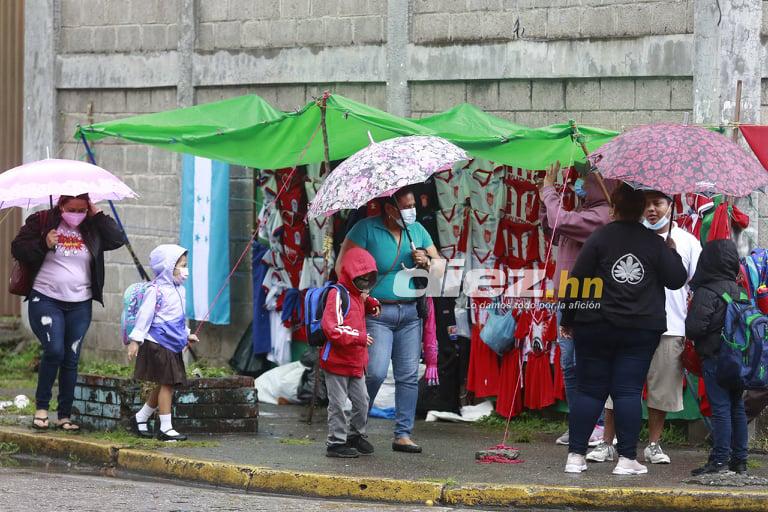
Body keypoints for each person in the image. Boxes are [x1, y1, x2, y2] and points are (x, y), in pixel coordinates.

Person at [561, 184, 687, 475]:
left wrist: (569, 320)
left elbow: (577, 282)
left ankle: (576, 457)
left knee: (590, 391)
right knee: (628, 391)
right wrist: (673, 252)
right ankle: (627, 459)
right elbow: (676, 280)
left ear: (613, 209)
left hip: (594, 326)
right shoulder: (656, 243)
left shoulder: (598, 238)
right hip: (639, 329)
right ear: (642, 209)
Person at [588, 190, 701, 464]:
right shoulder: (629, 237)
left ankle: (653, 444)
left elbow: (695, 283)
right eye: (647, 204)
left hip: (670, 326)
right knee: (619, 387)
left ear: (670, 206)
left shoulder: (688, 242)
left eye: (658, 203)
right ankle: (608, 442)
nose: (652, 209)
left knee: (661, 390)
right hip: (630, 324)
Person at [336, 187, 441, 453]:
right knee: (376, 372)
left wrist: (427, 261)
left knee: (407, 376)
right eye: (406, 206)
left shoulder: (417, 231)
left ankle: (403, 434)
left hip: (411, 313)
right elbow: (341, 267)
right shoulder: (365, 229)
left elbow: (441, 269)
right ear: (390, 208)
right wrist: (360, 291)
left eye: (413, 204)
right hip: (378, 313)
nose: (411, 211)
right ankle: (356, 429)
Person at [11, 194, 124, 431]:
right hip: (46, 299)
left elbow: (117, 239)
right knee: (54, 350)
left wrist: (97, 214)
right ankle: (42, 407)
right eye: (72, 209)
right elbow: (18, 249)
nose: (77, 214)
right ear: (60, 205)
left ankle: (64, 415)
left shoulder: (92, 226)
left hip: (80, 303)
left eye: (82, 209)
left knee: (71, 357)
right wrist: (43, 243)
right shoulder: (41, 221)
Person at [539, 162, 618, 446]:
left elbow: (562, 221)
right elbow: (554, 230)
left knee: (586, 364)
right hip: (569, 299)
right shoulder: (585, 211)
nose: (580, 183)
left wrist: (548, 191)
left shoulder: (604, 215)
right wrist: (548, 202)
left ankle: (596, 424)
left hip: (589, 301)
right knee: (570, 365)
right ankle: (580, 422)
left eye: (588, 178)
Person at [685, 239, 748, 475]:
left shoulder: (707, 291)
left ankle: (720, 460)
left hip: (715, 358)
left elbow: (694, 328)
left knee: (720, 408)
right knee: (737, 407)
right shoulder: (740, 291)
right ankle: (739, 460)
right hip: (739, 361)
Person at [127, 244, 199, 442]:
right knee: (168, 383)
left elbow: (177, 318)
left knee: (164, 382)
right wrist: (135, 341)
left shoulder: (179, 290)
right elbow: (144, 317)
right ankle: (165, 428)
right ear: (168, 267)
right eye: (181, 265)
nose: (185, 270)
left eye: (186, 265)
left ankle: (140, 418)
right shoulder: (156, 291)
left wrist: (186, 334)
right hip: (157, 343)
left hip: (171, 343)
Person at [321, 247, 378, 458]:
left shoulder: (359, 295)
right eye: (360, 278)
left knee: (362, 401)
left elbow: (359, 307)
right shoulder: (337, 294)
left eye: (368, 278)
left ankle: (356, 436)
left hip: (356, 361)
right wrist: (358, 337)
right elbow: (331, 327)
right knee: (338, 404)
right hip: (337, 361)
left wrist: (371, 304)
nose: (365, 282)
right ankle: (336, 442)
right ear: (349, 275)